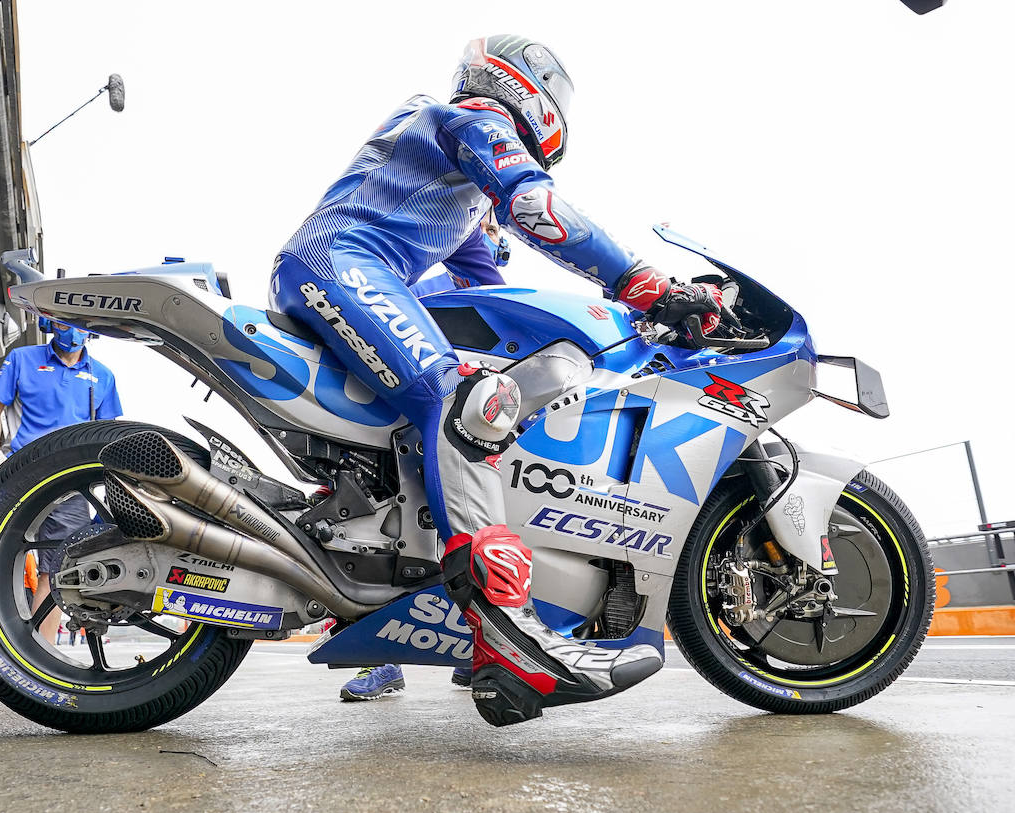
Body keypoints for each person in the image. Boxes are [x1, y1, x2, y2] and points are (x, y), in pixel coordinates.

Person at [275, 35, 723, 726]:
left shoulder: (453, 186)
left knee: (485, 397)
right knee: (469, 403)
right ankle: (510, 642)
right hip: (341, 263)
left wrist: (606, 334)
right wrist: (648, 287)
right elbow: (538, 210)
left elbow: (490, 289)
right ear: (526, 87)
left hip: (353, 269)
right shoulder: (473, 120)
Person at [338, 210, 507, 702]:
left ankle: (472, 650)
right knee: (379, 543)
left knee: (463, 536)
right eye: (485, 232)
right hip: (390, 431)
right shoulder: (419, 287)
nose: (488, 242)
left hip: (456, 436)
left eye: (494, 235)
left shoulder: (498, 296)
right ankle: (381, 662)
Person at [0, 320, 123, 694]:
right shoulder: (23, 359)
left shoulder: (103, 376)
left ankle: (36, 664)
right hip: (18, 476)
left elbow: (108, 435)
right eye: (64, 321)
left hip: (70, 487)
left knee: (57, 574)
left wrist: (107, 494)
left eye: (79, 324)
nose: (71, 330)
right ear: (50, 323)